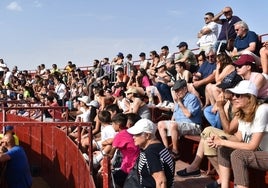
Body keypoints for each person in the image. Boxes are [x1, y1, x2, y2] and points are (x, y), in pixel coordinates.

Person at [207, 80, 268, 188]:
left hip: (265, 153)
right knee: (223, 148)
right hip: (256, 153)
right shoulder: (243, 112)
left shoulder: (262, 109)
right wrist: (220, 139)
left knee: (238, 155)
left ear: (250, 97)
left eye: (238, 95)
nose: (233, 97)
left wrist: (223, 141)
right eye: (233, 94)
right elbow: (239, 137)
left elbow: (252, 145)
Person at [158, 79, 202, 159]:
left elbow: (188, 114)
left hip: (193, 125)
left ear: (185, 89)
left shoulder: (192, 98)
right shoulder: (178, 100)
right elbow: (174, 115)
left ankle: (175, 152)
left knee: (173, 125)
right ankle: (166, 149)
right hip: (179, 125)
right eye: (175, 91)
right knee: (160, 124)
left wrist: (179, 103)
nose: (177, 93)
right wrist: (169, 123)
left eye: (178, 90)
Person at [127, 118, 175, 188]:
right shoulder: (158, 146)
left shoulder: (151, 153)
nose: (133, 137)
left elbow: (161, 182)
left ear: (147, 135)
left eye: (137, 134)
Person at [108, 113, 140, 187]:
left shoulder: (119, 135)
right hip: (136, 163)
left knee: (109, 180)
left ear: (118, 125)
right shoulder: (129, 131)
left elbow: (110, 155)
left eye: (113, 124)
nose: (112, 126)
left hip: (129, 166)